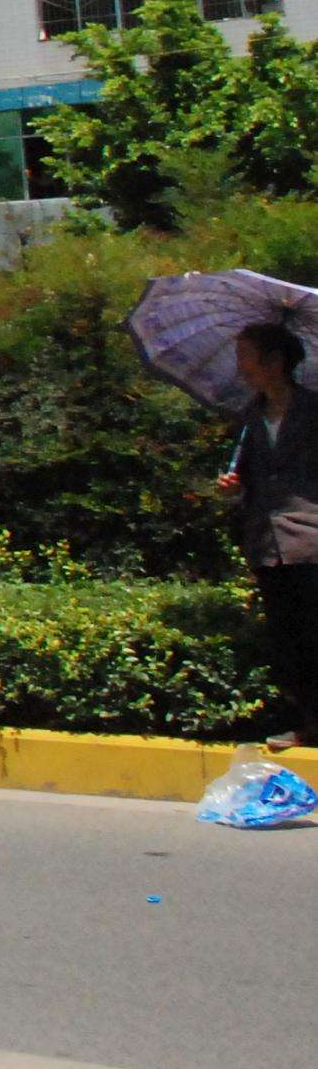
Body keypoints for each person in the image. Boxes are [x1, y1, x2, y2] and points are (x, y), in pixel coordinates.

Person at [220, 320, 318, 751]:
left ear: (275, 362)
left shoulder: (314, 411)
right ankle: (309, 726)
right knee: (289, 642)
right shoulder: (249, 417)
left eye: (246, 357)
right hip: (268, 543)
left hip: (312, 540)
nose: (240, 368)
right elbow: (252, 478)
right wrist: (234, 489)